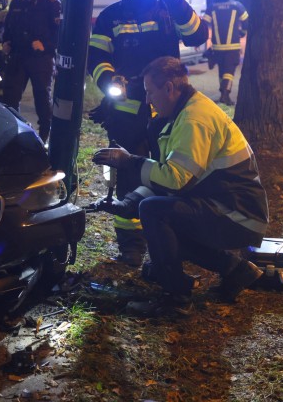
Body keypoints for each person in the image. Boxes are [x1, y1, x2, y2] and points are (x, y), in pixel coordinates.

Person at [92, 56, 268, 316]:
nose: (148, 100)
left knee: (155, 212)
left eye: (150, 92)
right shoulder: (184, 113)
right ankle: (236, 270)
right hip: (235, 210)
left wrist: (131, 162)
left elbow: (175, 181)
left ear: (170, 88)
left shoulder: (192, 120)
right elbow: (166, 176)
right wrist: (128, 203)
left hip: (237, 215)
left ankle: (175, 299)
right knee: (159, 218)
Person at [87, 0, 208, 267]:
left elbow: (198, 36)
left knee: (171, 174)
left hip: (169, 113)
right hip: (127, 114)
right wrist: (110, 81)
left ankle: (171, 240)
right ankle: (131, 245)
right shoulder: (112, 16)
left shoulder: (171, 8)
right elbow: (96, 57)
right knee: (128, 175)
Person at [1, 0, 61, 143]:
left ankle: (44, 137)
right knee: (10, 97)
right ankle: (16, 132)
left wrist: (46, 45)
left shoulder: (51, 2)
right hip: (18, 56)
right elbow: (8, 27)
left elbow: (60, 33)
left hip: (41, 59)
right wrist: (6, 42)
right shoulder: (17, 2)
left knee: (42, 98)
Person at [202, 0, 249, 106]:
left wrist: (202, 43)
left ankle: (223, 92)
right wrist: (243, 32)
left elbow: (204, 25)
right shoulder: (237, 5)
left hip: (217, 47)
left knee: (222, 69)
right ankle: (225, 94)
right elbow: (246, 21)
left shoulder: (211, 7)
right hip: (233, 46)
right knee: (230, 70)